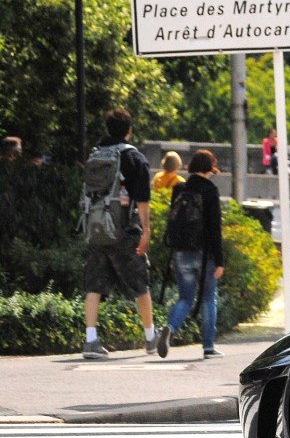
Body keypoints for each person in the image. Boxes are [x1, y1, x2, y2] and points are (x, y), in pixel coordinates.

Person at [82, 108, 158, 359]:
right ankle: (150, 337)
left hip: (96, 227)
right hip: (125, 229)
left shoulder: (95, 155)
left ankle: (90, 340)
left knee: (94, 283)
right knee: (139, 283)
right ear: (129, 130)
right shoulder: (134, 158)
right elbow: (143, 199)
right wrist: (146, 230)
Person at [156, 149, 224, 360]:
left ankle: (170, 328)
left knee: (185, 297)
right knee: (208, 298)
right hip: (205, 255)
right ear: (209, 168)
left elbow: (174, 222)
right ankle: (208, 346)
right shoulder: (210, 191)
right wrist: (220, 260)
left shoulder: (179, 188)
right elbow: (215, 229)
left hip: (181, 252)